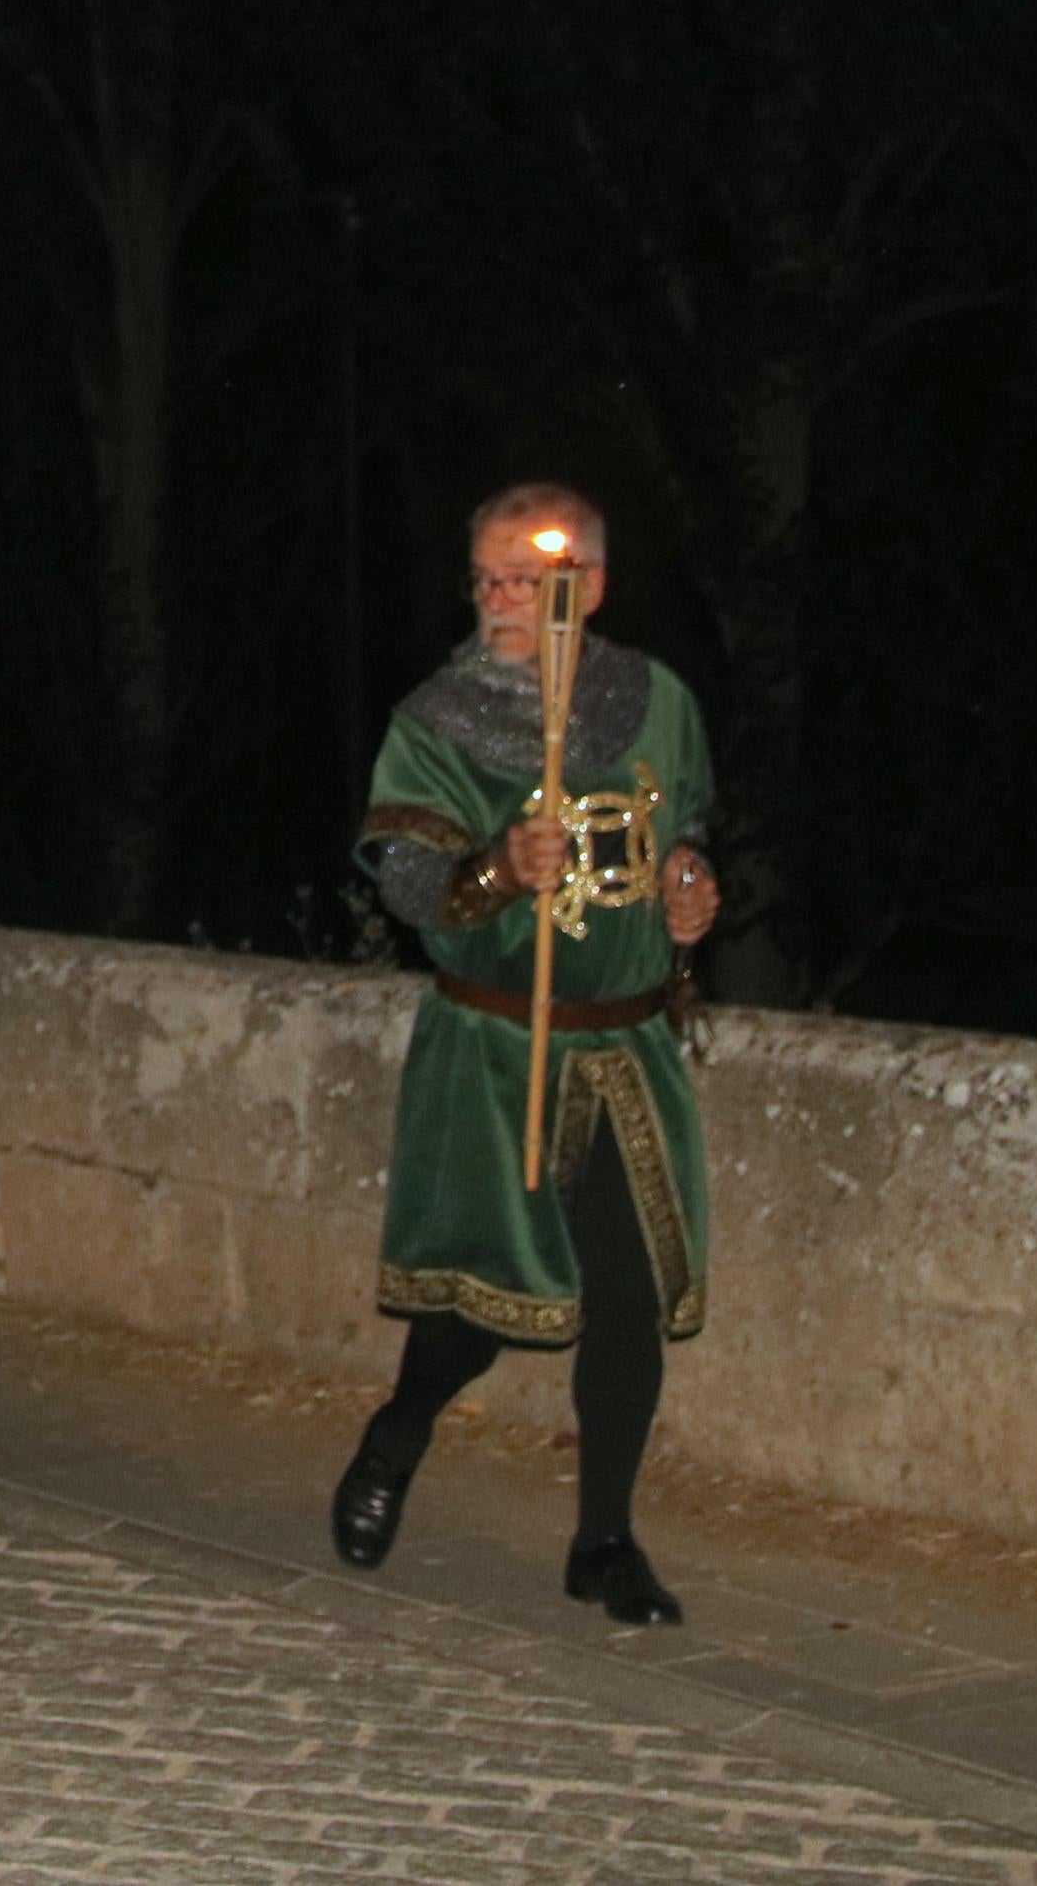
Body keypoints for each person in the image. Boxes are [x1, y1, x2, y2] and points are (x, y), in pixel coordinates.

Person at [333, 483, 722, 1626]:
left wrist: (689, 889)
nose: (500, 600)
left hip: (625, 1048)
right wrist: (501, 866)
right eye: (486, 578)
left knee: (625, 1295)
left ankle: (601, 1540)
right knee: (489, 1300)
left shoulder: (654, 701)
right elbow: (409, 883)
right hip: (498, 1045)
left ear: (586, 587)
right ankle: (395, 1434)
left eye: (527, 579)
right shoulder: (437, 719)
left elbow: (683, 828)